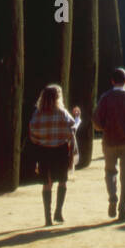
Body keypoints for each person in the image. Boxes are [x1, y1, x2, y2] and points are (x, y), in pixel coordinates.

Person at [91, 67, 125, 221]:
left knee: (110, 172)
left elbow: (95, 119)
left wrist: (103, 129)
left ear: (112, 81)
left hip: (109, 141)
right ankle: (123, 209)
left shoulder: (105, 98)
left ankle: (113, 197)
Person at [28, 84, 78, 226]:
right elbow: (72, 126)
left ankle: (47, 217)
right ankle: (58, 211)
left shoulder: (38, 114)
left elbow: (32, 132)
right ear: (57, 98)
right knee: (62, 180)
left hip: (44, 151)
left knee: (47, 184)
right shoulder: (61, 112)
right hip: (60, 150)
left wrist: (40, 141)